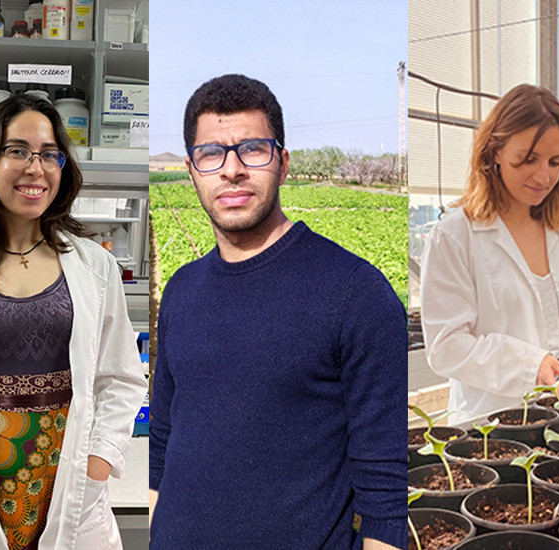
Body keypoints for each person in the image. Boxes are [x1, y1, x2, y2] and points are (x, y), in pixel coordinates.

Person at [148, 74, 405, 549]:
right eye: (211, 154)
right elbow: (163, 435)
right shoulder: (182, 290)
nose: (232, 170)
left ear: (283, 163)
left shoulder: (356, 293)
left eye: (253, 149)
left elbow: (386, 491)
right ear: (191, 170)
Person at [0, 95, 147, 550]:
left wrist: (96, 467)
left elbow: (120, 379)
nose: (35, 167)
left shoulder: (96, 267)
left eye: (49, 153)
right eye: (17, 150)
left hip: (71, 489)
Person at [419, 83, 559, 425]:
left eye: (555, 161)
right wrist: (530, 365)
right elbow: (446, 347)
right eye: (527, 159)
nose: (543, 176)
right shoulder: (455, 237)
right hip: (492, 429)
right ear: (494, 151)